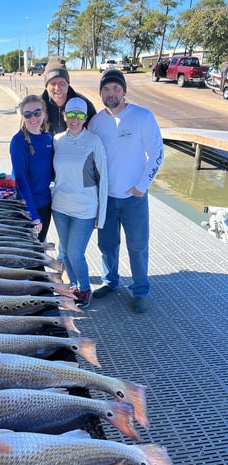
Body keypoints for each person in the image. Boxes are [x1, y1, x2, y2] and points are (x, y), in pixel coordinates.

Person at [87, 70, 164, 314]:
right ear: (100, 93)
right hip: (107, 197)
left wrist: (142, 186)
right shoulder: (96, 122)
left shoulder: (142, 116)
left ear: (124, 91)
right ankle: (111, 281)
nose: (111, 94)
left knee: (137, 245)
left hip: (134, 198)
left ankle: (141, 289)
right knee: (107, 244)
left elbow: (157, 153)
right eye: (106, 90)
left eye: (116, 89)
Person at [52, 97, 108, 308]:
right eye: (71, 114)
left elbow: (104, 180)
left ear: (85, 118)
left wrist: (100, 216)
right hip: (60, 207)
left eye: (80, 115)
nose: (75, 119)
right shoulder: (57, 140)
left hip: (84, 209)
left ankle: (85, 288)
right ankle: (73, 285)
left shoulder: (94, 141)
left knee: (76, 253)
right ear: (65, 115)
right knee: (65, 252)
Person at [9, 95, 53, 242]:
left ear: (44, 113)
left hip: (46, 203)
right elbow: (21, 181)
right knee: (30, 256)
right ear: (22, 116)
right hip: (27, 207)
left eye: (37, 112)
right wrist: (33, 214)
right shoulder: (18, 141)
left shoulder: (48, 139)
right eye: (27, 114)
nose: (33, 117)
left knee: (39, 249)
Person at [41, 57, 96, 136]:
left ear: (68, 84)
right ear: (46, 86)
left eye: (62, 83)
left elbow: (94, 134)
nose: (57, 88)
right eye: (53, 83)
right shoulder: (37, 107)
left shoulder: (84, 104)